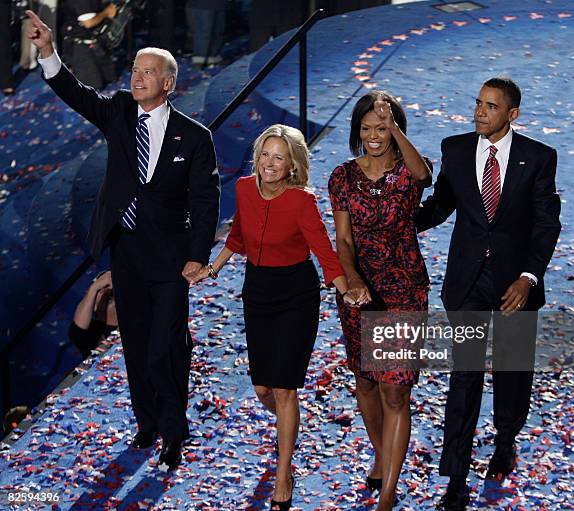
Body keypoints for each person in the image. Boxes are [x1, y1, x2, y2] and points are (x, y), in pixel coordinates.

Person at [26, 10, 220, 472]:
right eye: (134, 69)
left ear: (168, 83)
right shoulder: (117, 113)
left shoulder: (194, 137)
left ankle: (174, 432)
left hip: (173, 261)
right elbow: (76, 94)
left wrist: (197, 257)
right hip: (127, 252)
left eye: (147, 71)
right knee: (134, 343)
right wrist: (49, 52)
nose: (136, 77)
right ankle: (147, 422)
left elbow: (205, 199)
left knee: (165, 347)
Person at [416, 77, 561, 511]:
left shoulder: (538, 157)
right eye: (477, 103)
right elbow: (440, 206)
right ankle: (456, 478)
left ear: (511, 114)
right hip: (468, 283)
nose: (479, 112)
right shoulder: (456, 149)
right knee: (464, 379)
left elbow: (546, 223)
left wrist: (528, 277)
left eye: (490, 106)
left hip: (516, 285)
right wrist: (397, 222)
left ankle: (504, 440)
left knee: (513, 373)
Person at [198, 124, 352, 511]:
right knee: (264, 389)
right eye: (265, 154)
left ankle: (283, 473)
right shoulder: (244, 189)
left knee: (284, 389)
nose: (269, 163)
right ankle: (290, 423)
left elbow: (323, 249)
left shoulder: (301, 201)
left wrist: (345, 287)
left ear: (292, 166)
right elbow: (238, 237)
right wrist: (213, 268)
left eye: (278, 157)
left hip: (296, 295)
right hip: (258, 292)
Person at [328, 91, 432, 511]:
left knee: (395, 393)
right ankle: (382, 453)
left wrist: (397, 127)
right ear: (357, 132)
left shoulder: (408, 174)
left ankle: (388, 494)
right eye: (367, 128)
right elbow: (344, 239)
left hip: (405, 288)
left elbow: (423, 173)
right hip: (359, 291)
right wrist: (351, 278)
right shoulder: (342, 177)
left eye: (382, 128)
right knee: (367, 383)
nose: (374, 136)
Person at [60, 0, 117, 90]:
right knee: (92, 87)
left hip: (95, 39)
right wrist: (106, 12)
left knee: (110, 78)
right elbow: (88, 22)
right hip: (79, 44)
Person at [69, 270, 118, 358]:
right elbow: (77, 331)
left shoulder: (135, 317)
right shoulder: (93, 331)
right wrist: (94, 288)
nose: (108, 289)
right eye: (103, 287)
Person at [186, 0, 226, 67]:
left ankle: (213, 58)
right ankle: (199, 59)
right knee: (203, 30)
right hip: (202, 4)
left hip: (219, 4)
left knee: (217, 31)